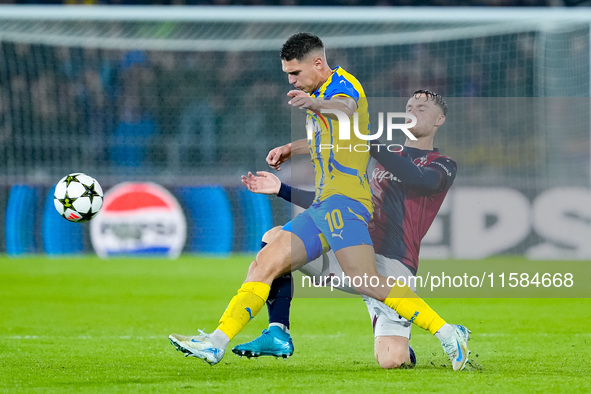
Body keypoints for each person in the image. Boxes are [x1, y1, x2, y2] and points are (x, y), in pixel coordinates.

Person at [169, 34, 469, 371]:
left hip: (347, 205)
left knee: (367, 282)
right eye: (287, 74)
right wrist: (290, 148)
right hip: (325, 206)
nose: (291, 81)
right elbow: (323, 136)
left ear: (317, 64)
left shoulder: (343, 86)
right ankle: (222, 341)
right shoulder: (318, 96)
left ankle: (447, 331)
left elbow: (346, 108)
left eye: (295, 73)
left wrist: (315, 105)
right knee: (266, 259)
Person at [234, 90, 460, 369]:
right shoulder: (383, 155)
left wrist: (366, 141)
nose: (412, 111)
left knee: (392, 361)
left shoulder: (443, 164)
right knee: (275, 239)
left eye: (421, 108)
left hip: (393, 266)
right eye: (409, 106)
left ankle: (401, 334)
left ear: (440, 120)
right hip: (353, 253)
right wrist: (282, 188)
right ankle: (279, 330)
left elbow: (419, 179)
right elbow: (335, 203)